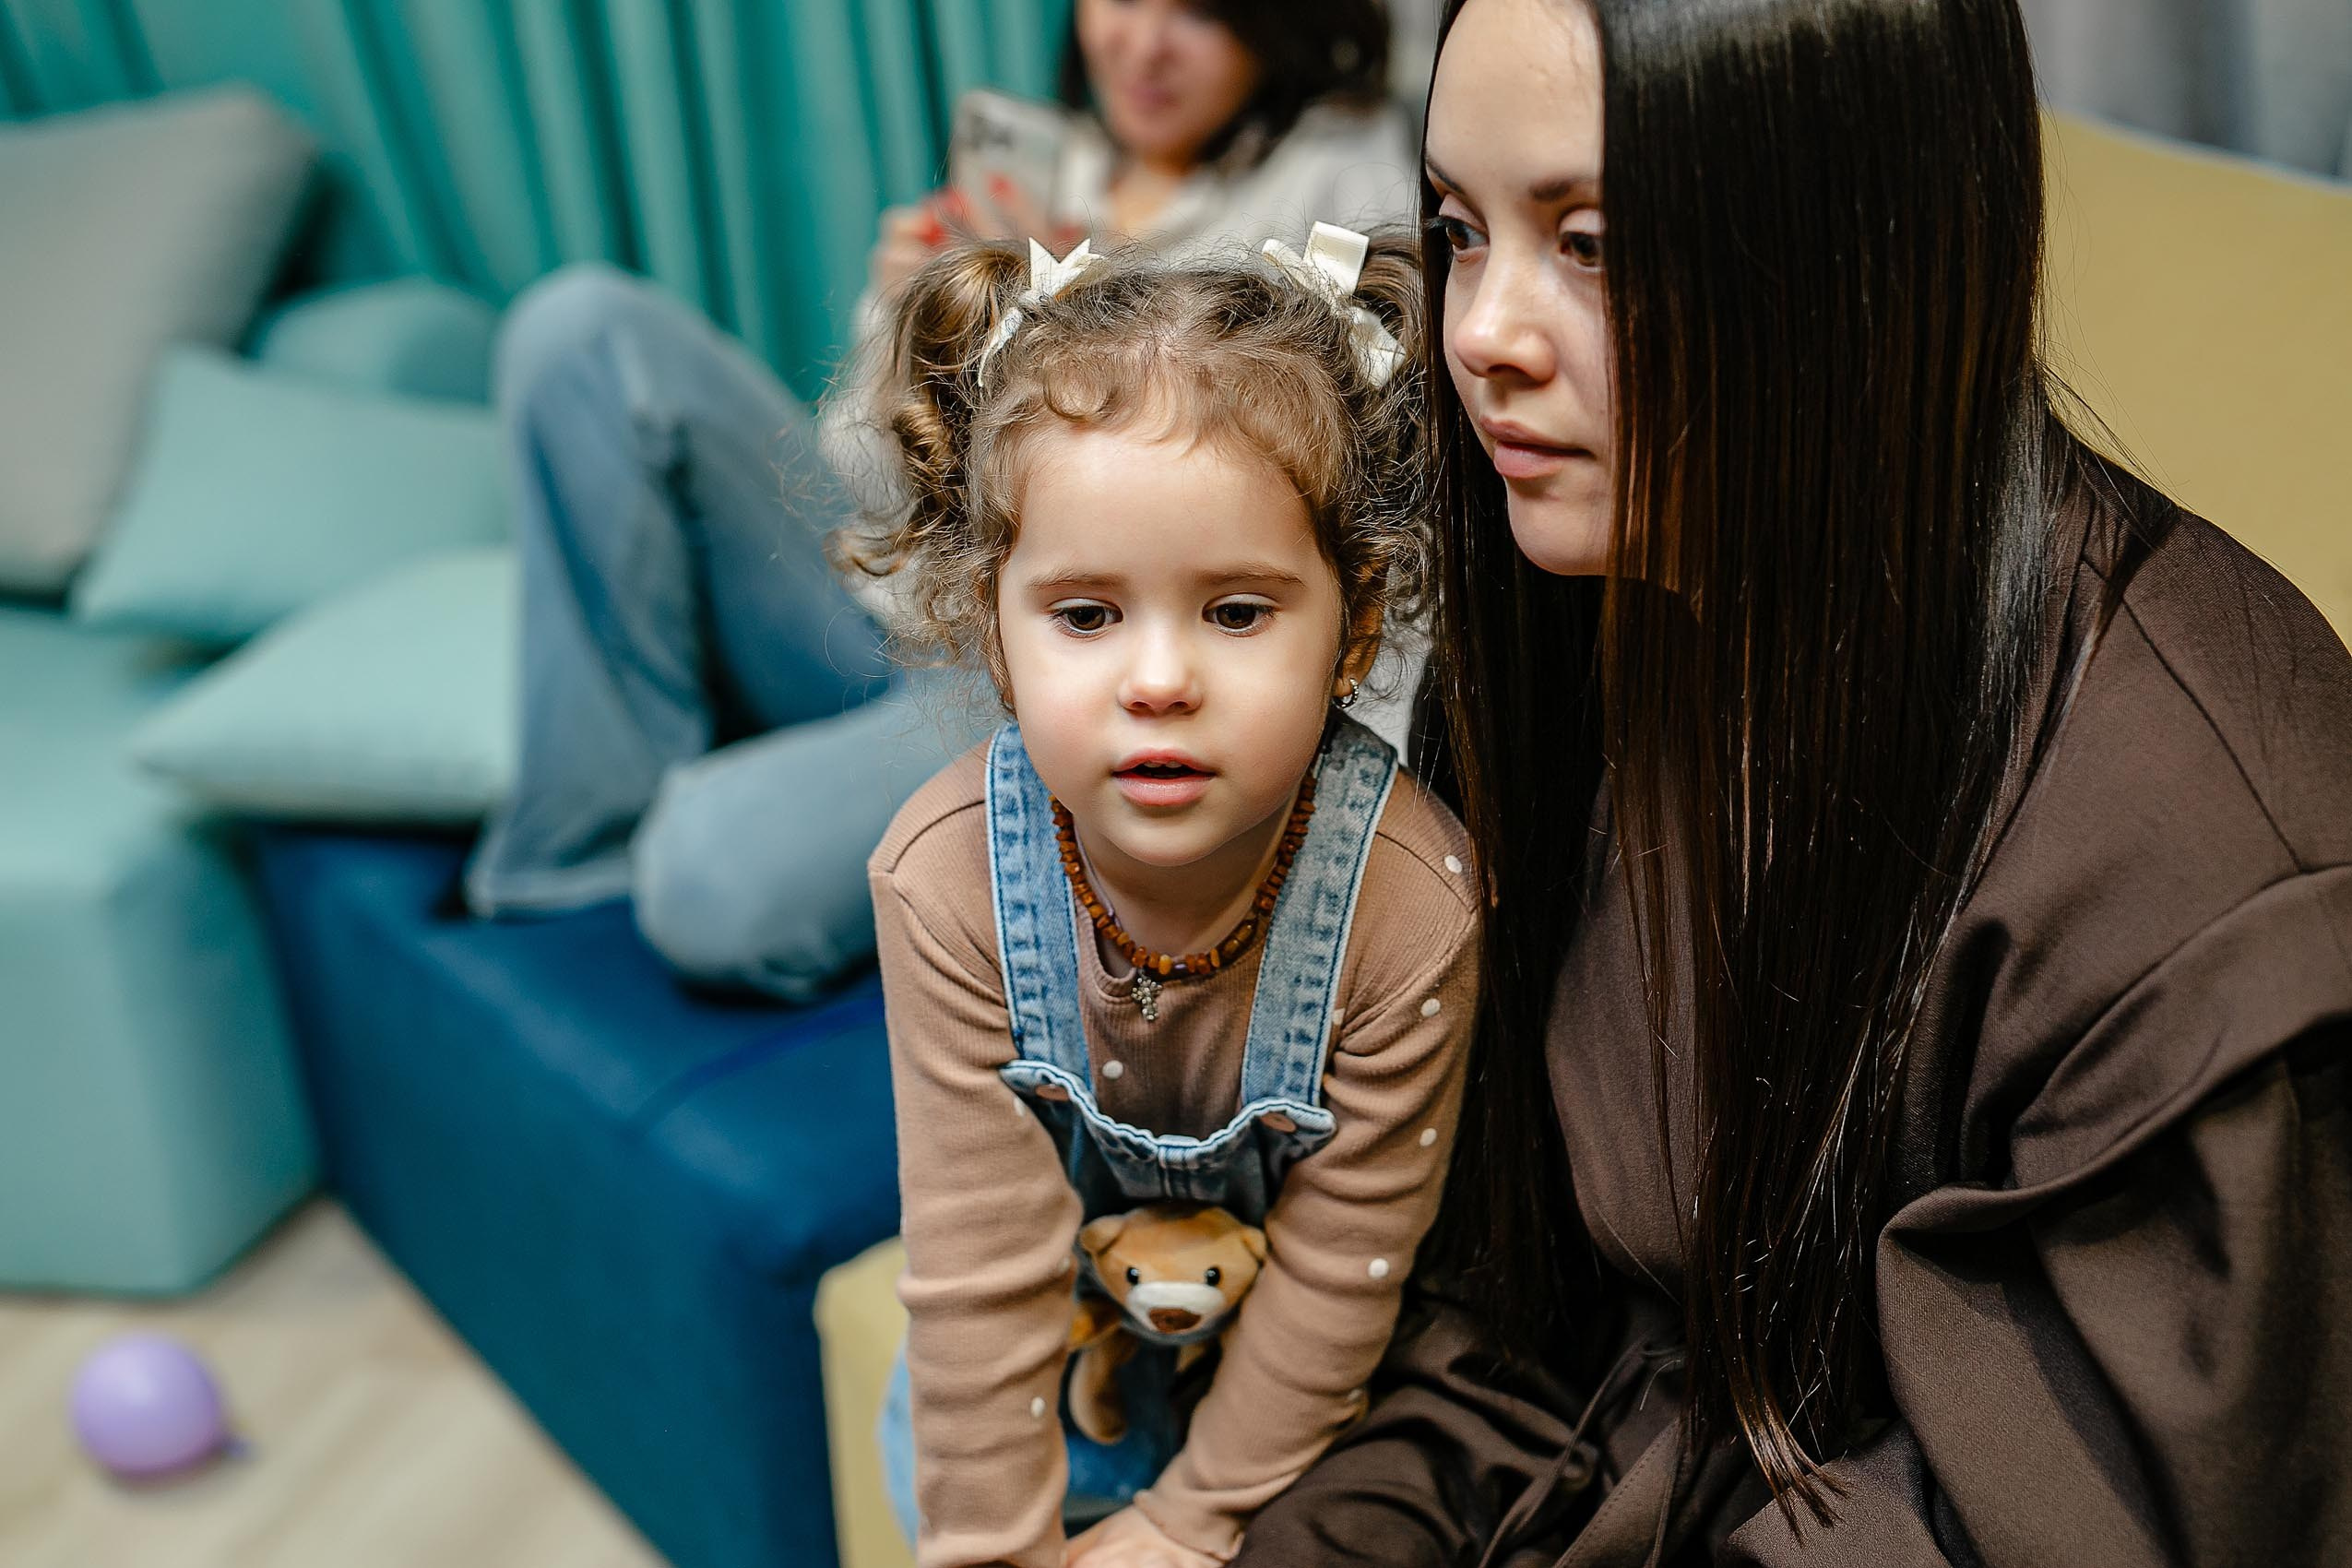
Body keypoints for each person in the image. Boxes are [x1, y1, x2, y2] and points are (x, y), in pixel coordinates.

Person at [1233, 0, 2352, 1562]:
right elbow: (1510, 1335)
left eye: (1593, 244)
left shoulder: (2189, 850)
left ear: (1857, 250)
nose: (1480, 331)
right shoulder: (1596, 606)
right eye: (1461, 231)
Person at [461, 0, 1418, 1004]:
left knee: (705, 874)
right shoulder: (1050, 158)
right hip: (886, 595)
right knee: (583, 331)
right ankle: (580, 845)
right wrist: (909, 326)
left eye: (1199, 11)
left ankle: (742, 795)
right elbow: (870, 487)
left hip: (1037, 653)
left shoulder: (1338, 170)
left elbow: (1350, 516)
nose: (1141, 46)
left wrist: (1068, 330)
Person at [855, 228, 1477, 1568]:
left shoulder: (1409, 910)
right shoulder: (944, 879)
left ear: (1356, 624)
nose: (1157, 681)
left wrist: (1194, 1521)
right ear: (992, 626)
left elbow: (1342, 1268)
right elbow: (978, 1274)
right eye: (1085, 615)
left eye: (1237, 612)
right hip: (1026, 1404)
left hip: (1282, 1426)